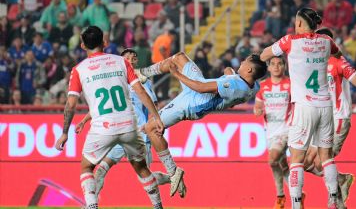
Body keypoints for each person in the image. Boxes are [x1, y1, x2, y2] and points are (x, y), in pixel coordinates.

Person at [54, 26, 165, 209]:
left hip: (102, 128)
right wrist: (156, 117)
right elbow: (140, 91)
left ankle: (91, 206)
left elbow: (71, 104)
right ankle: (158, 206)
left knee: (86, 167)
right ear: (104, 42)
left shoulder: (79, 70)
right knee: (142, 168)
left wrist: (65, 132)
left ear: (82, 45)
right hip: (129, 126)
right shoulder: (122, 62)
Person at [138, 52, 266, 196]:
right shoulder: (254, 85)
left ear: (249, 70)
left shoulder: (235, 86)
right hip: (197, 90)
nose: (242, 61)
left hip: (193, 103)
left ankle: (172, 172)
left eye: (245, 61)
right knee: (179, 57)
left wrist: (176, 74)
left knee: (151, 128)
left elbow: (200, 87)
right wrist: (230, 72)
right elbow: (229, 74)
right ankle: (142, 73)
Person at [75, 48, 187, 199]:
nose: (132, 56)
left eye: (134, 55)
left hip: (139, 135)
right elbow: (104, 104)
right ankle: (90, 204)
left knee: (145, 175)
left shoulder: (143, 81)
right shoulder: (116, 80)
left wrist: (154, 123)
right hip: (119, 129)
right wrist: (83, 120)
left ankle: (172, 178)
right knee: (101, 170)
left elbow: (153, 105)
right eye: (127, 55)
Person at [260, 7, 343, 208]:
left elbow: (264, 56)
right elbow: (337, 54)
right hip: (325, 106)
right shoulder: (327, 41)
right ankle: (333, 199)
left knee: (296, 159)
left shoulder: (290, 41)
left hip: (304, 107)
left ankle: (296, 204)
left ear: (298, 23)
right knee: (326, 156)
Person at [303, 27, 356, 205]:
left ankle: (336, 201)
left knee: (323, 160)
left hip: (338, 118)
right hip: (320, 119)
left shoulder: (339, 62)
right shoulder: (313, 64)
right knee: (307, 162)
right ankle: (340, 181)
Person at [254, 57, 292, 209]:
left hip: (287, 129)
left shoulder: (291, 84)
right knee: (281, 165)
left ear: (284, 66)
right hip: (270, 131)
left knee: (272, 160)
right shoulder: (263, 86)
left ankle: (280, 196)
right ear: (268, 68)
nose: (276, 67)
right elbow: (257, 107)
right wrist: (257, 110)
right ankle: (297, 194)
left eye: (280, 64)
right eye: (273, 64)